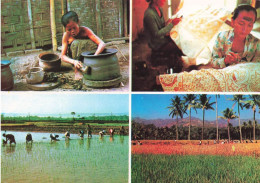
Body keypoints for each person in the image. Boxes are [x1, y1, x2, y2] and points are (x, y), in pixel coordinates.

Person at [211, 4, 260, 68]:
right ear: (233, 21)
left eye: (249, 25)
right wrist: (225, 61)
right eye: (241, 23)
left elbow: (256, 68)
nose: (244, 29)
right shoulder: (222, 37)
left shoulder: (256, 44)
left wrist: (240, 64)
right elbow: (213, 63)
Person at [61, 11, 106, 80]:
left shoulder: (85, 30)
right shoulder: (66, 35)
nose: (72, 31)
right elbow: (62, 56)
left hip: (88, 56)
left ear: (78, 22)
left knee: (94, 45)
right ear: (65, 28)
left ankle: (93, 67)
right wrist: (74, 61)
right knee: (76, 43)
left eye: (74, 28)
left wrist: (94, 57)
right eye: (69, 29)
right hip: (76, 59)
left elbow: (102, 44)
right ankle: (77, 70)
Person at [143, 0, 183, 68]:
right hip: (156, 43)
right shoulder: (149, 15)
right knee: (178, 47)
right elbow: (156, 34)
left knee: (180, 40)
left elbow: (161, 26)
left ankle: (176, 64)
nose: (164, 1)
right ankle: (174, 67)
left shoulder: (159, 9)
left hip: (162, 38)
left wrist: (169, 22)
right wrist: (172, 24)